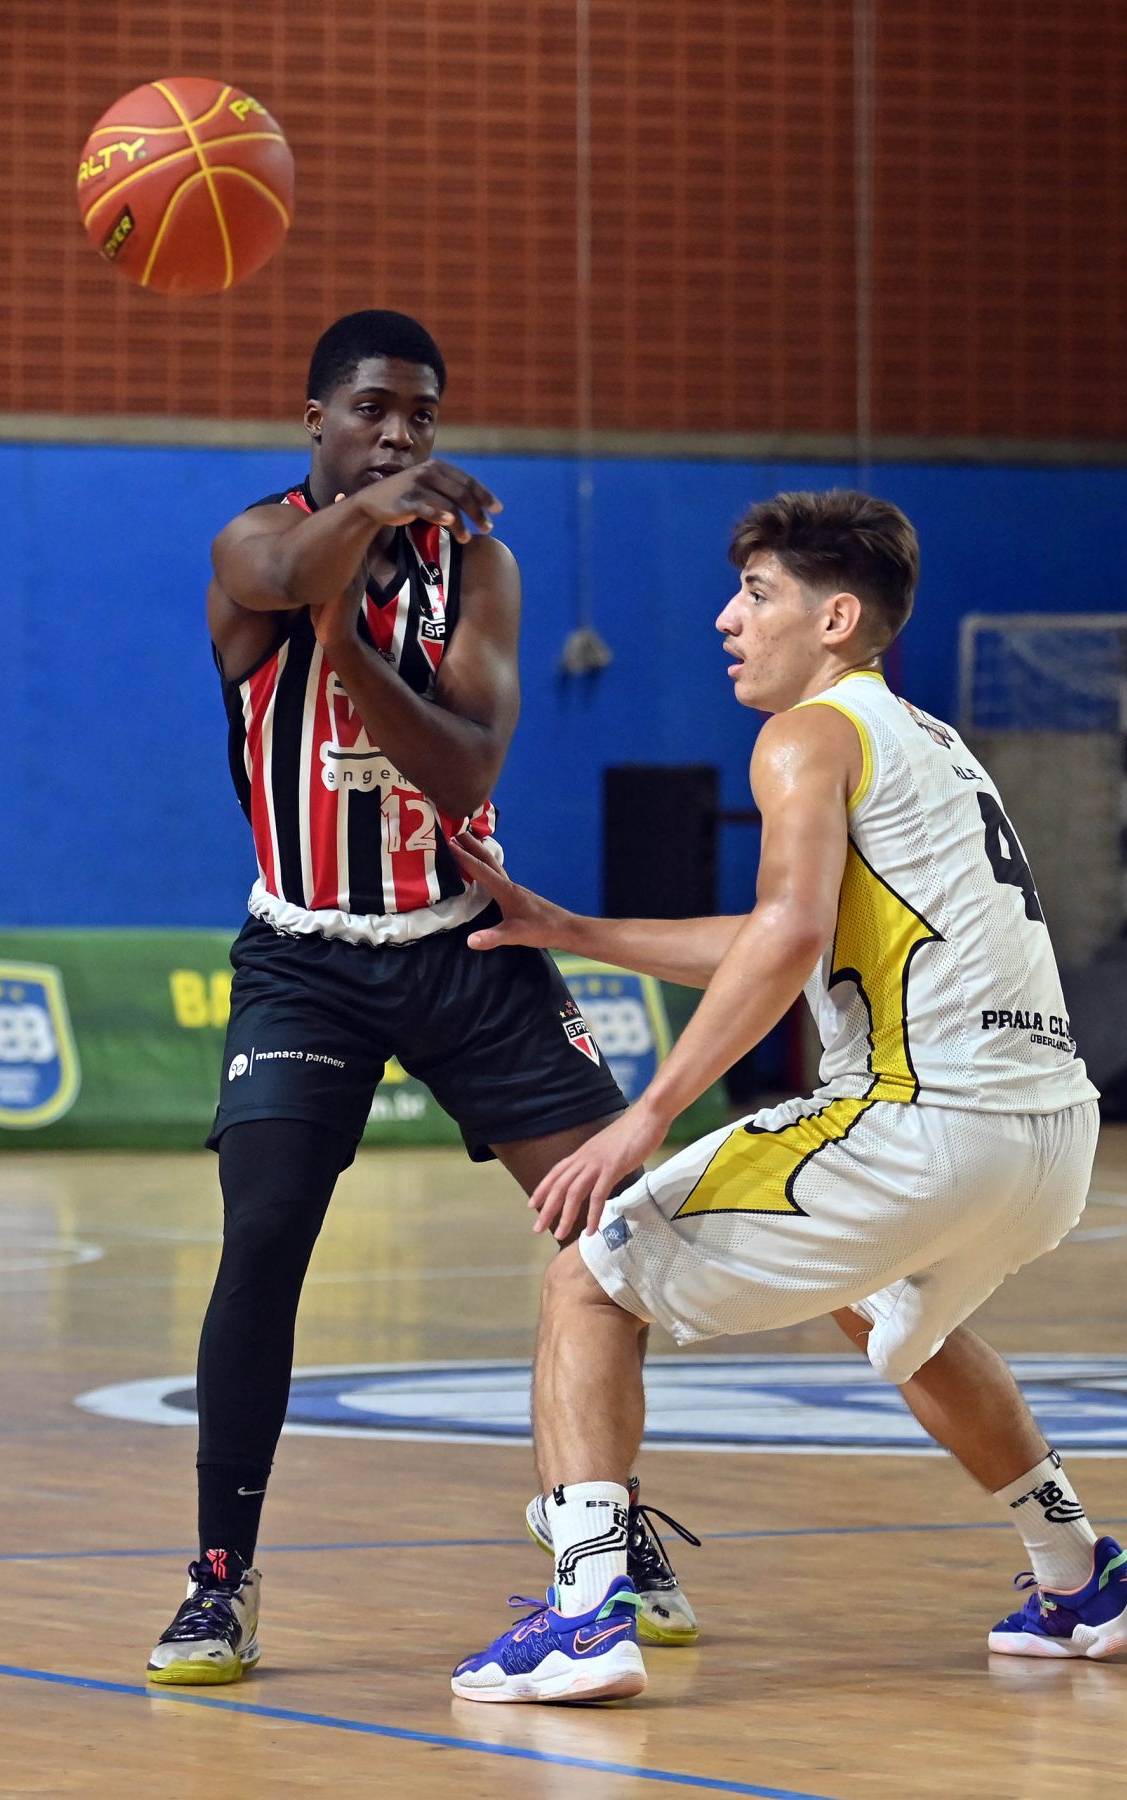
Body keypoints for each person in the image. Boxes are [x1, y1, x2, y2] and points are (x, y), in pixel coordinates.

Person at [448, 488, 1127, 1704]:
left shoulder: (807, 734)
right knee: (883, 1302)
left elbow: (784, 942)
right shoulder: (929, 742)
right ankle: (1080, 1575)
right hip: (1053, 1141)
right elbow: (788, 931)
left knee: (588, 1280)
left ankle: (583, 1617)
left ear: (836, 618)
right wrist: (574, 930)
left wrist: (645, 1114)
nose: (728, 620)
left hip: (922, 1117)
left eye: (757, 594)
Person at [145, 310, 696, 1685]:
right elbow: (287, 573)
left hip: (468, 944)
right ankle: (220, 1575)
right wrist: (369, 526)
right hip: (306, 959)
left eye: (424, 415)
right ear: (316, 419)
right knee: (264, 1239)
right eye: (375, 408)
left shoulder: (478, 566)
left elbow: (461, 771)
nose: (402, 433)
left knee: (619, 1230)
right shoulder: (251, 544)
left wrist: (345, 651)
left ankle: (601, 1524)